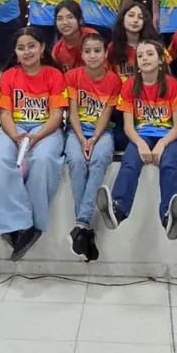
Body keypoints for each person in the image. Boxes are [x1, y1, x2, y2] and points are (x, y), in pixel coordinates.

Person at [0, 28, 68, 260]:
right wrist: (15, 136)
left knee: (42, 160)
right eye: (21, 48)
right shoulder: (8, 76)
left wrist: (37, 137)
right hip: (15, 128)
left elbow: (56, 115)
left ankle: (32, 225)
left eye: (32, 46)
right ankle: (12, 224)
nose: (27, 52)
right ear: (15, 52)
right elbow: (4, 114)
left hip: (45, 129)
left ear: (42, 48)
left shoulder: (54, 75)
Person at [96, 39, 177, 240]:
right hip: (141, 134)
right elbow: (128, 126)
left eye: (149, 54)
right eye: (140, 56)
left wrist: (162, 143)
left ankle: (168, 215)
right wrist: (140, 143)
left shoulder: (172, 85)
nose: (144, 58)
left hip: (168, 135)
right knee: (130, 162)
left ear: (161, 60)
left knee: (170, 164)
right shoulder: (129, 85)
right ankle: (118, 209)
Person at [63, 32, 122, 262]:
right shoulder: (72, 76)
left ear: (106, 53)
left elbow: (106, 114)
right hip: (76, 132)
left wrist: (94, 139)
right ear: (81, 54)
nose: (92, 55)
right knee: (77, 161)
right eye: (87, 51)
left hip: (102, 132)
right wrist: (82, 139)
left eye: (97, 51)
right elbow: (72, 112)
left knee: (98, 160)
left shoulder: (114, 80)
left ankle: (81, 225)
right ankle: (85, 229)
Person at [108, 1, 160, 79]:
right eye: (131, 15)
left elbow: (166, 73)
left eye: (140, 17)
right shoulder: (112, 47)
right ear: (122, 19)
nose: (135, 20)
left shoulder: (155, 45)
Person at [50, 0, 97, 70]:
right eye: (59, 19)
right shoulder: (57, 50)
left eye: (70, 17)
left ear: (80, 20)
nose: (64, 22)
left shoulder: (92, 36)